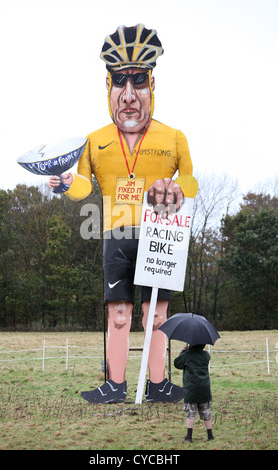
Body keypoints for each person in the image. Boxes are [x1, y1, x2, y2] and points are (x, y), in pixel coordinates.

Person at [49, 24, 198, 403]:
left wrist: (180, 189)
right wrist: (66, 183)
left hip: (158, 233)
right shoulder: (94, 141)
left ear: (152, 85)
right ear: (108, 87)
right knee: (119, 315)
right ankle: (115, 386)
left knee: (156, 317)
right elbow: (84, 186)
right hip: (114, 235)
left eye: (139, 82)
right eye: (120, 82)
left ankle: (159, 386)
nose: (129, 95)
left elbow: (192, 180)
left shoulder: (174, 136)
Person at [174, 344, 214, 442]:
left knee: (190, 414)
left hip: (191, 389)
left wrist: (184, 351)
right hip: (204, 388)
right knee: (206, 414)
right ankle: (210, 435)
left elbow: (177, 363)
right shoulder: (206, 355)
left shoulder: (187, 355)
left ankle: (189, 436)